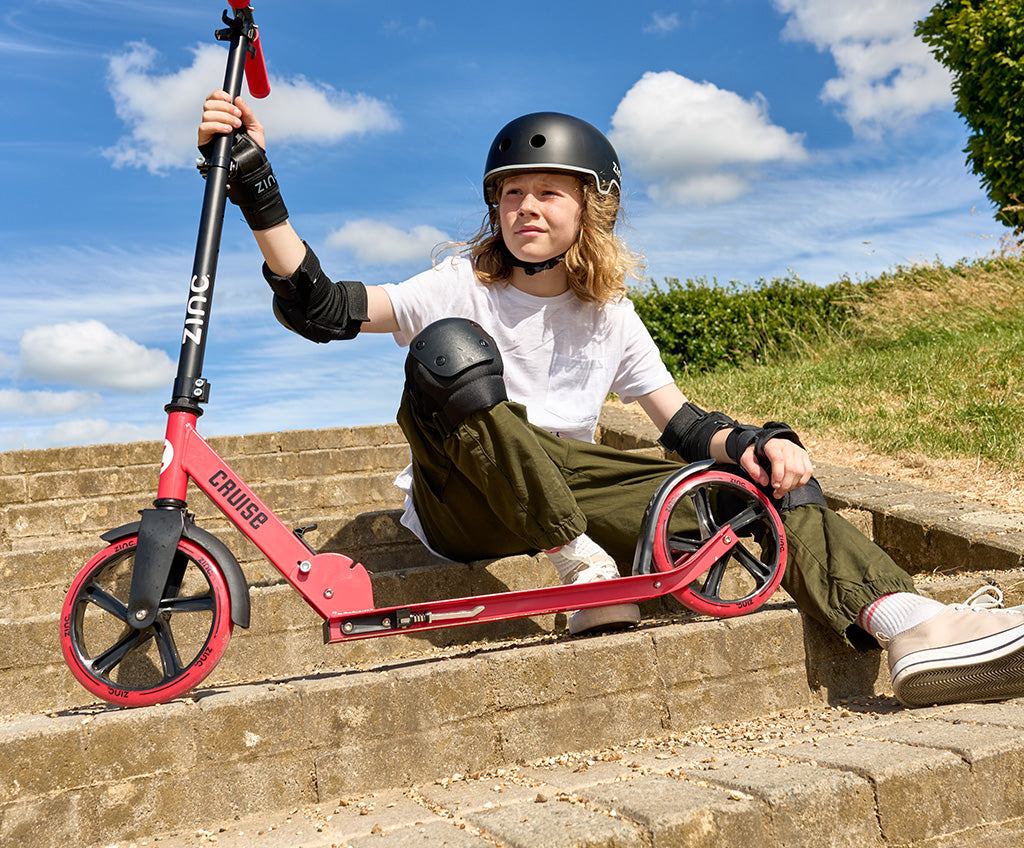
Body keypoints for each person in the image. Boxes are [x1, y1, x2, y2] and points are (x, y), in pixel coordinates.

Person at [198, 91, 1024, 709]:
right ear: (494, 207)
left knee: (769, 481)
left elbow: (682, 424)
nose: (526, 207)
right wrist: (258, 191)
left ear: (589, 209)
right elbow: (324, 309)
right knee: (450, 348)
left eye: (549, 193)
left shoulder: (610, 314)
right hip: (466, 504)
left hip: (574, 483)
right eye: (512, 193)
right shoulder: (456, 283)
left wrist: (756, 445)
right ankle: (582, 568)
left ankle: (907, 624)